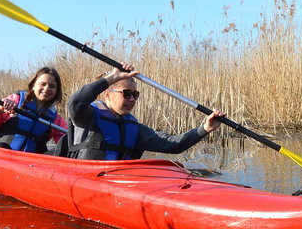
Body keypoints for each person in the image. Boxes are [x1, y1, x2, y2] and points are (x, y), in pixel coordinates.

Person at [62, 64, 224, 160]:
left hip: (122, 183)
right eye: (126, 93)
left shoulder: (135, 128)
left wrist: (205, 129)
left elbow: (174, 145)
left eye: (135, 95)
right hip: (87, 179)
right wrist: (110, 79)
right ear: (107, 94)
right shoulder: (88, 116)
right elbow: (75, 103)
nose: (132, 99)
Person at [0, 67, 68, 154]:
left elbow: (68, 142)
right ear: (34, 85)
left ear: (56, 91)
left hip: (31, 163)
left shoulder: (56, 119)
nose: (47, 89)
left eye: (52, 86)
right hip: (1, 155)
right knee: (2, 146)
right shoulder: (15, 101)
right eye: (43, 84)